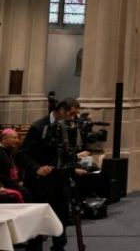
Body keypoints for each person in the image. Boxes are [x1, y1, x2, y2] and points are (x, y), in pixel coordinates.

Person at [17, 98, 89, 251]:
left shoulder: (68, 127)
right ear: (61, 110)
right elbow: (22, 154)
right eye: (72, 113)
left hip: (60, 180)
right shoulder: (39, 127)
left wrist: (73, 168)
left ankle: (59, 248)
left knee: (61, 217)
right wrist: (37, 168)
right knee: (38, 221)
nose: (74, 117)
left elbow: (66, 154)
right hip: (40, 182)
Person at [0, 129, 28, 202]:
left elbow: (18, 167)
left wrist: (20, 180)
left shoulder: (13, 150)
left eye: (17, 138)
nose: (17, 140)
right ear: (4, 138)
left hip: (14, 183)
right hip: (5, 184)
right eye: (14, 138)